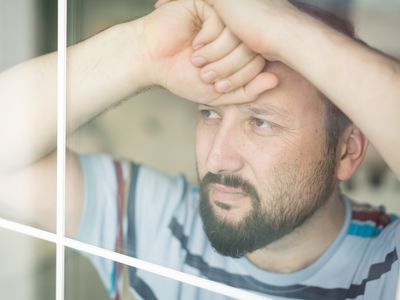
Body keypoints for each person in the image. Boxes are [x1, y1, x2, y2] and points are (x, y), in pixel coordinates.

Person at [0, 0, 399, 299]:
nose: (218, 158)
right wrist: (143, 49)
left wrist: (285, 30)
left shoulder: (385, 268)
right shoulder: (155, 225)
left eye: (261, 122)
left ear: (346, 151)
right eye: (209, 114)